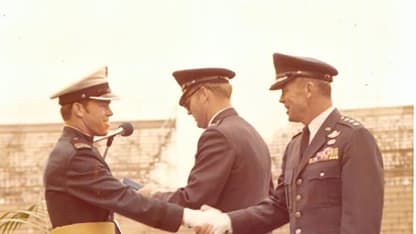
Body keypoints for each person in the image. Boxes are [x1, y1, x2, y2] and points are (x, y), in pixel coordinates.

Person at [195, 53, 384, 234]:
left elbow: (361, 224)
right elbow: (279, 207)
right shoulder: (294, 147)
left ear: (308, 89)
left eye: (285, 90)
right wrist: (227, 221)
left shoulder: (353, 138)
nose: (281, 99)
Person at [44, 66, 210, 234]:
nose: (110, 112)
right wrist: (190, 217)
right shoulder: (76, 156)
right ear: (79, 109)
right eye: (103, 105)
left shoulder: (75, 150)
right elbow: (122, 199)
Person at [140, 67, 273, 213]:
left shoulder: (218, 135)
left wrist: (153, 195)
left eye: (187, 103)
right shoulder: (252, 133)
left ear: (203, 94)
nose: (189, 112)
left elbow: (194, 200)